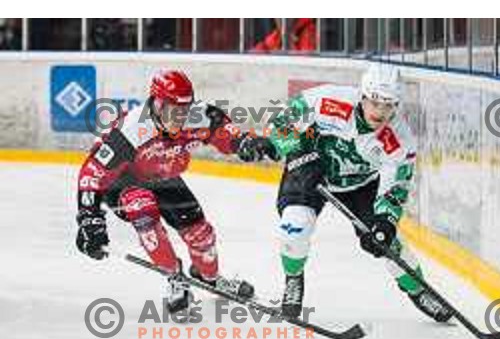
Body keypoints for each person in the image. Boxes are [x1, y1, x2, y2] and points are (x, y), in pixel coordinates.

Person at [236, 63, 451, 322]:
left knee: (388, 243)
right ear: (362, 96)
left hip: (361, 184)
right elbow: (284, 121)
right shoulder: (328, 101)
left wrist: (385, 220)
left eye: (388, 105)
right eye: (375, 102)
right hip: (309, 167)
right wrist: (275, 145)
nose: (380, 112)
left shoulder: (400, 140)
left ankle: (418, 290)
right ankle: (293, 279)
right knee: (295, 225)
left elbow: (396, 186)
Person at [76, 70, 253, 313]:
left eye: (185, 111)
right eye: (172, 111)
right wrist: (89, 218)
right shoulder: (131, 130)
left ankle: (210, 278)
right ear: (157, 104)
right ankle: (174, 277)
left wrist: (245, 141)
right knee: (142, 209)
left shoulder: (198, 116)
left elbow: (223, 128)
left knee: (200, 235)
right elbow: (92, 173)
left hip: (162, 176)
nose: (179, 118)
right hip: (123, 183)